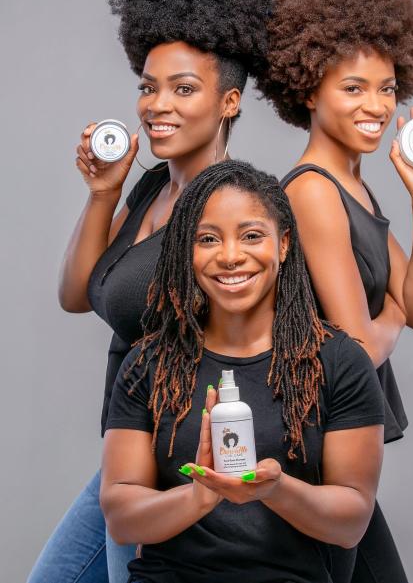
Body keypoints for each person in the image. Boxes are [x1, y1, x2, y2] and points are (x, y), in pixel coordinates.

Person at [28, 0, 271, 582]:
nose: (156, 106)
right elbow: (78, 295)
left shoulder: (227, 211)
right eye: (147, 86)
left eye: (182, 89)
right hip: (127, 454)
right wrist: (103, 192)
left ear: (229, 101)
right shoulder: (152, 189)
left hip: (175, 463)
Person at [101, 160, 386, 583]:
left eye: (252, 236)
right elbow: (122, 518)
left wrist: (275, 489)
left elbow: (351, 524)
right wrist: (199, 496)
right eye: (208, 239)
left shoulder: (338, 362)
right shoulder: (149, 364)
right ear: (186, 250)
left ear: (284, 244)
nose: (231, 257)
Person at [257, 0, 413, 583]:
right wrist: (388, 315)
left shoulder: (354, 187)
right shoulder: (312, 191)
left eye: (387, 88)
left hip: (338, 438)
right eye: (354, 88)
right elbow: (362, 346)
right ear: (309, 90)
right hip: (310, 441)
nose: (377, 107)